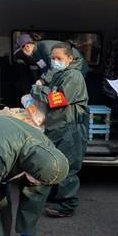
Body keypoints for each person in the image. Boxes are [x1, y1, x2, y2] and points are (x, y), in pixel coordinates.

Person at [31, 42, 89, 217]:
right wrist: (42, 82)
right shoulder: (60, 74)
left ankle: (67, 205)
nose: (55, 61)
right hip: (59, 126)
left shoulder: (74, 76)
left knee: (68, 167)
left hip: (70, 127)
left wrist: (37, 90)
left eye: (59, 58)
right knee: (56, 163)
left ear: (70, 58)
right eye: (52, 58)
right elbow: (49, 84)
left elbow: (58, 99)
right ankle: (56, 198)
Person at [15, 34, 89, 80]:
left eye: (22, 51)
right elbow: (44, 68)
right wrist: (41, 79)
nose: (23, 54)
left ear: (27, 46)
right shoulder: (35, 55)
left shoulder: (45, 47)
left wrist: (43, 81)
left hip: (77, 65)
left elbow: (55, 67)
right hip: (64, 69)